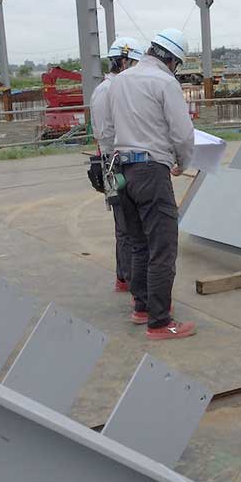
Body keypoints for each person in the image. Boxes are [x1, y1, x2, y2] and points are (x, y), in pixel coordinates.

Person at [100, 28, 197, 341]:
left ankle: (141, 307)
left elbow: (108, 129)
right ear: (171, 59)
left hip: (122, 171)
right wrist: (183, 160)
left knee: (138, 243)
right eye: (176, 64)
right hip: (152, 171)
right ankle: (159, 321)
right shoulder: (165, 82)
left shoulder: (119, 81)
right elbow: (182, 132)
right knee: (163, 247)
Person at [90, 36, 144, 292]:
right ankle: (128, 279)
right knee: (128, 226)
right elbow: (105, 133)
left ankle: (124, 276)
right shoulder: (107, 91)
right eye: (133, 63)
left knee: (125, 225)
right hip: (116, 164)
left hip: (117, 161)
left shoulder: (116, 88)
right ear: (122, 61)